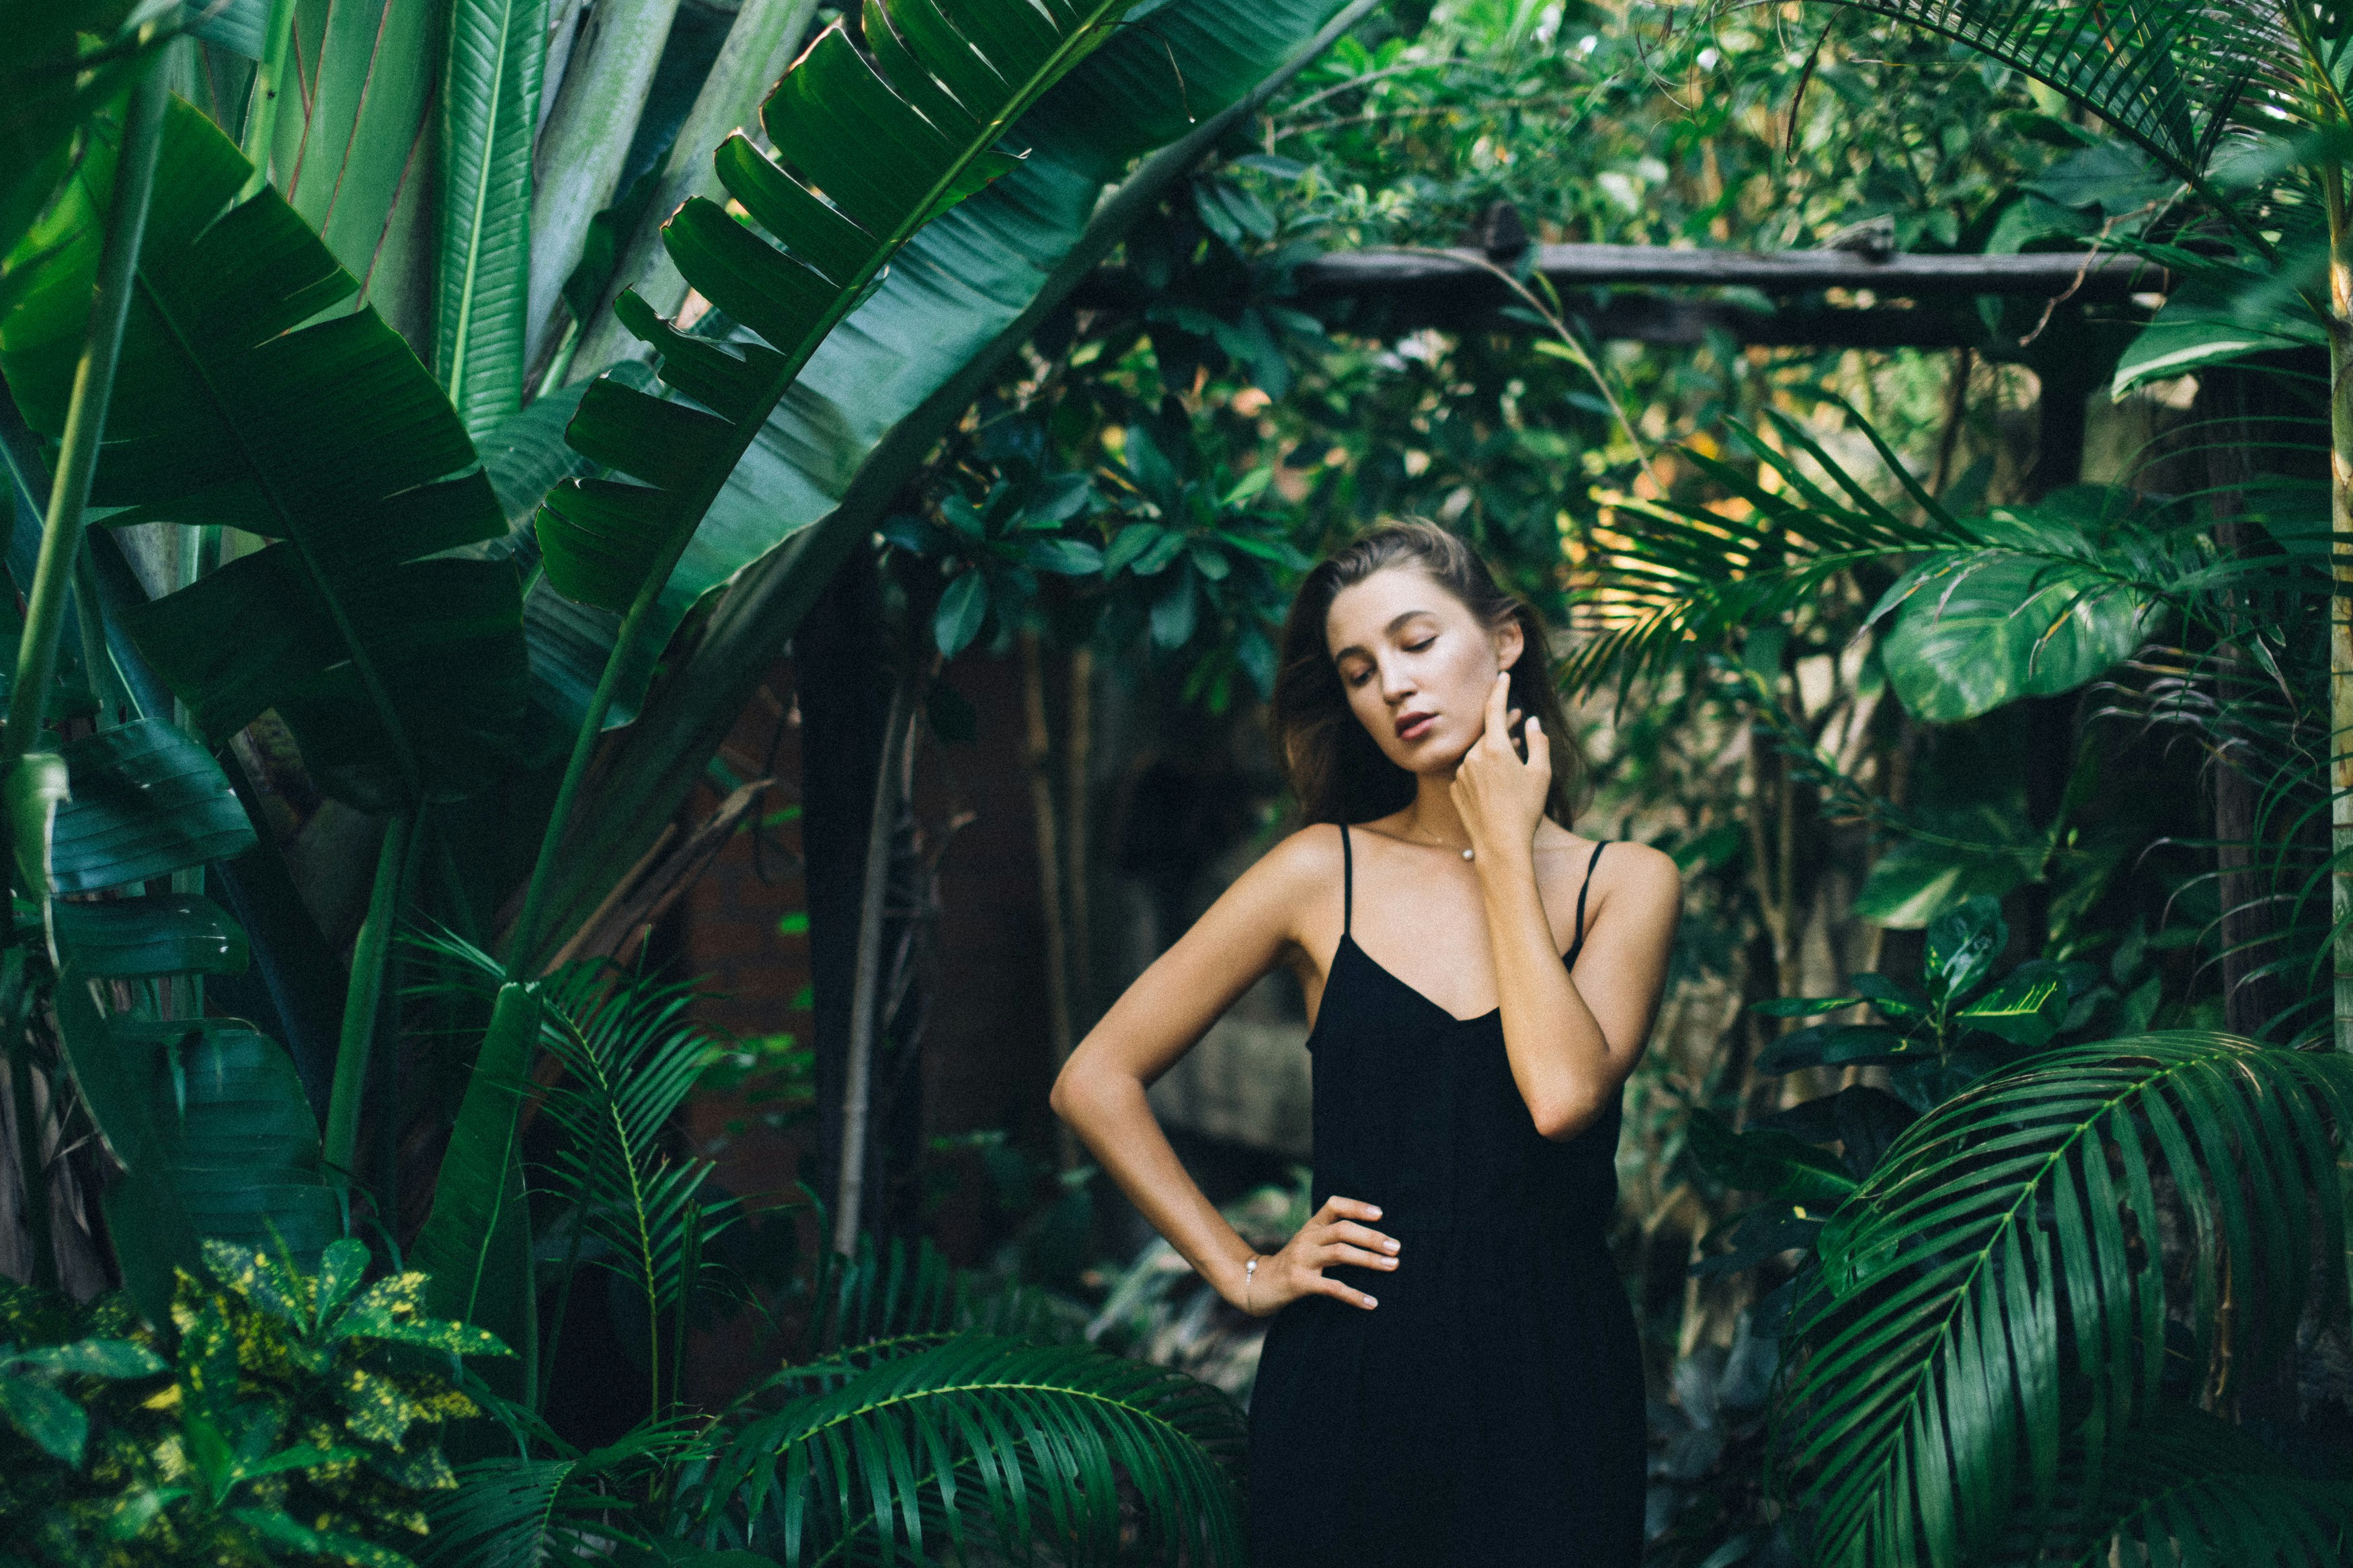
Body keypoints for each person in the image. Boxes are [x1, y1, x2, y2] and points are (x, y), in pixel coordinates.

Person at [1050, 520, 1680, 1565]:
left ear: (1507, 641)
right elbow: (1095, 1079)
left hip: (1553, 1373)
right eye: (1358, 669)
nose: (1392, 684)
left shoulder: (1628, 882)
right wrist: (1244, 1272)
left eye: (1417, 640)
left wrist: (1506, 853)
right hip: (1351, 1373)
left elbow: (1564, 1096)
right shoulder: (1315, 872)